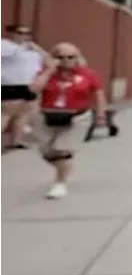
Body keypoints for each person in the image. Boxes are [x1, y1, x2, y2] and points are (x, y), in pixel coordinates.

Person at [27, 43, 107, 199]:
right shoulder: (46, 73)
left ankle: (59, 183)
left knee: (62, 150)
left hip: (77, 117)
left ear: (78, 58)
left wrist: (100, 115)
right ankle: (65, 167)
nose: (66, 60)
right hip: (48, 116)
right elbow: (33, 89)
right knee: (47, 152)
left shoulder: (87, 74)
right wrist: (50, 70)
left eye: (71, 57)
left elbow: (98, 95)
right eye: (61, 57)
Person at [0, 24, 48, 150]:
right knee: (5, 114)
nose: (24, 36)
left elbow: (48, 61)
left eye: (27, 33)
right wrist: (20, 48)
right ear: (11, 33)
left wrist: (37, 48)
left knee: (24, 114)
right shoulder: (5, 45)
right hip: (10, 84)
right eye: (20, 33)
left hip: (29, 85)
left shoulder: (32, 50)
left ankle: (17, 141)